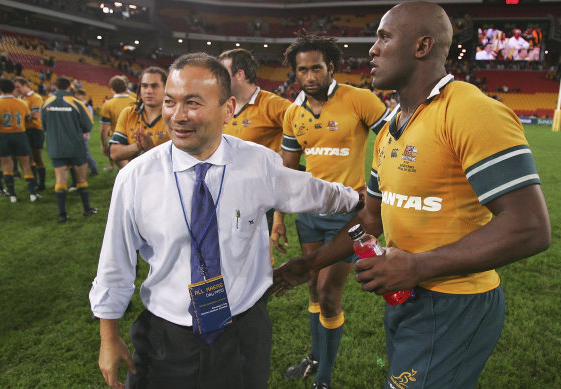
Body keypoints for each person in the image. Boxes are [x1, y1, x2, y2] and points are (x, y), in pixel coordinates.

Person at [270, 3, 551, 389]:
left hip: (455, 303)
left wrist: (418, 266)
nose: (372, 50)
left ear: (421, 46)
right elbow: (371, 218)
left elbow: (530, 227)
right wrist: (311, 264)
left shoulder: (472, 111)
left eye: (384, 37)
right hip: (405, 297)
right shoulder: (390, 128)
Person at [89, 52, 364, 389]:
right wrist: (108, 336)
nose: (177, 116)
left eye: (192, 103)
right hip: (165, 334)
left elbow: (316, 192)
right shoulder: (135, 178)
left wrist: (362, 199)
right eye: (170, 102)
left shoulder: (258, 164)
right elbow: (115, 264)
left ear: (228, 108)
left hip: (243, 331)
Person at [276, 32, 388, 389]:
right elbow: (287, 170)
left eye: (317, 68)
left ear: (331, 68)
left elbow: (396, 138)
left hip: (348, 217)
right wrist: (278, 218)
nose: (311, 76)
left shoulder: (359, 99)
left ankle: (323, 379)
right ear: (295, 74)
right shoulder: (294, 113)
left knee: (328, 295)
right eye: (303, 70)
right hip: (309, 215)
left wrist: (376, 190)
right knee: (312, 288)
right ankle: (314, 357)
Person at [218, 48, 291, 252]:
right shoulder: (224, 107)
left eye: (222, 72)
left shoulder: (273, 105)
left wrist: (283, 159)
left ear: (239, 74)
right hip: (224, 194)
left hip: (258, 199)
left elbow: (306, 131)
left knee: (253, 259)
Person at [41, 76, 97, 222]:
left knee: (60, 180)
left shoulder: (47, 103)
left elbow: (43, 125)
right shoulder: (76, 102)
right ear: (69, 87)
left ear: (55, 86)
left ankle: (62, 214)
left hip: (56, 147)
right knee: (81, 179)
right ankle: (86, 208)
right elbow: (88, 125)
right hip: (75, 146)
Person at [0, 78, 39, 203]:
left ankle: (12, 195)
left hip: (3, 136)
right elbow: (28, 118)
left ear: (0, 89)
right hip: (20, 135)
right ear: (13, 89)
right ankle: (32, 194)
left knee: (8, 166)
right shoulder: (22, 103)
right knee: (26, 165)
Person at [109, 67, 169, 168]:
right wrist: (138, 146)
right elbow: (114, 153)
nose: (149, 91)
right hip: (137, 179)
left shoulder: (175, 116)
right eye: (144, 86)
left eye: (154, 86)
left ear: (166, 89)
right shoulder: (129, 113)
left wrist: (150, 148)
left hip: (168, 179)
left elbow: (183, 158)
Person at [14, 76, 47, 190]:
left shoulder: (35, 97)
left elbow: (35, 115)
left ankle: (41, 184)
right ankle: (34, 182)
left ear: (25, 85)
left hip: (35, 130)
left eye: (18, 87)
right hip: (25, 130)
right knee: (28, 158)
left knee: (37, 158)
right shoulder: (21, 98)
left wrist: (18, 117)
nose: (16, 89)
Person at [99, 75, 135, 171]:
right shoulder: (135, 101)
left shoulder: (108, 104)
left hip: (117, 141)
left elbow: (104, 128)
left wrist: (103, 144)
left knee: (124, 171)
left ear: (111, 89)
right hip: (134, 138)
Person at [74, 88, 99, 177]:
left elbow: (89, 120)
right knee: (81, 152)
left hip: (83, 132)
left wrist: (86, 132)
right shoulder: (78, 105)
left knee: (84, 152)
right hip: (78, 131)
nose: (76, 97)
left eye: (77, 95)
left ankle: (93, 168)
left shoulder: (87, 106)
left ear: (82, 96)